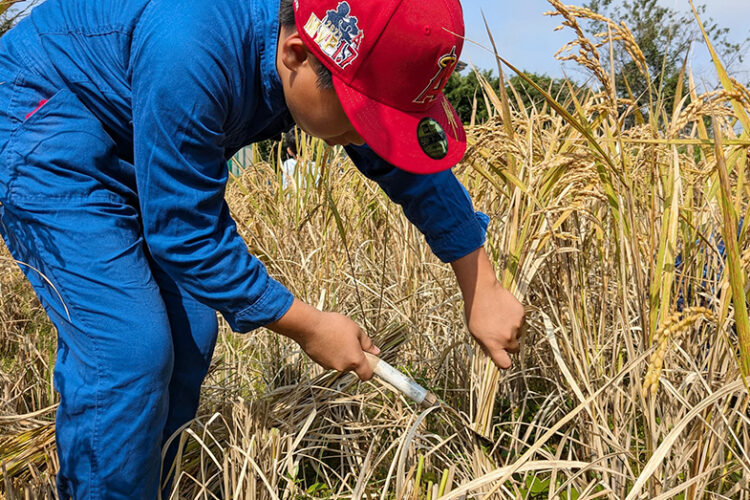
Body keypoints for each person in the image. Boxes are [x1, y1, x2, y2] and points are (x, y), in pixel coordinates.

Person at [0, 0, 525, 497]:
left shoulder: (310, 48)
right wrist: (308, 324)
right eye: (358, 118)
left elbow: (402, 165)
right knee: (129, 349)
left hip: (142, 124)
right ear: (296, 54)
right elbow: (185, 232)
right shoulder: (193, 46)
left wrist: (481, 284)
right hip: (42, 116)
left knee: (192, 331)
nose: (363, 139)